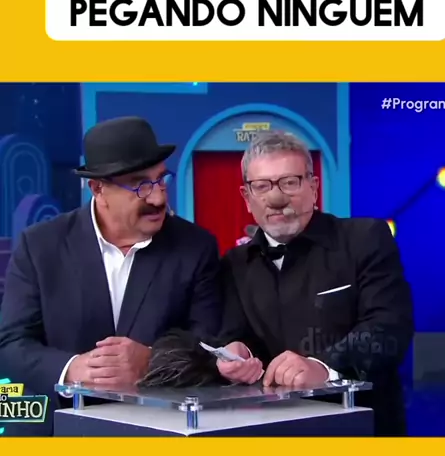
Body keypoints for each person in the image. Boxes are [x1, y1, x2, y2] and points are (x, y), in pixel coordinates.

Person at [0, 116, 222, 431]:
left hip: (159, 431)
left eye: (161, 180)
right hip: (59, 432)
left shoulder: (196, 247)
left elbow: (211, 344)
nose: (158, 197)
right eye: (141, 185)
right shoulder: (40, 246)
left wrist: (152, 360)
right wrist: (71, 369)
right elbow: (10, 343)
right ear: (98, 189)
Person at [216, 130, 414, 436]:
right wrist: (234, 356)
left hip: (360, 432)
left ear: (314, 187)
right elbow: (233, 337)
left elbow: (389, 328)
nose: (276, 199)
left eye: (290, 182)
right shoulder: (233, 264)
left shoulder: (364, 239)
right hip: (269, 435)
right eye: (262, 186)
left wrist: (323, 367)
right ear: (247, 197)